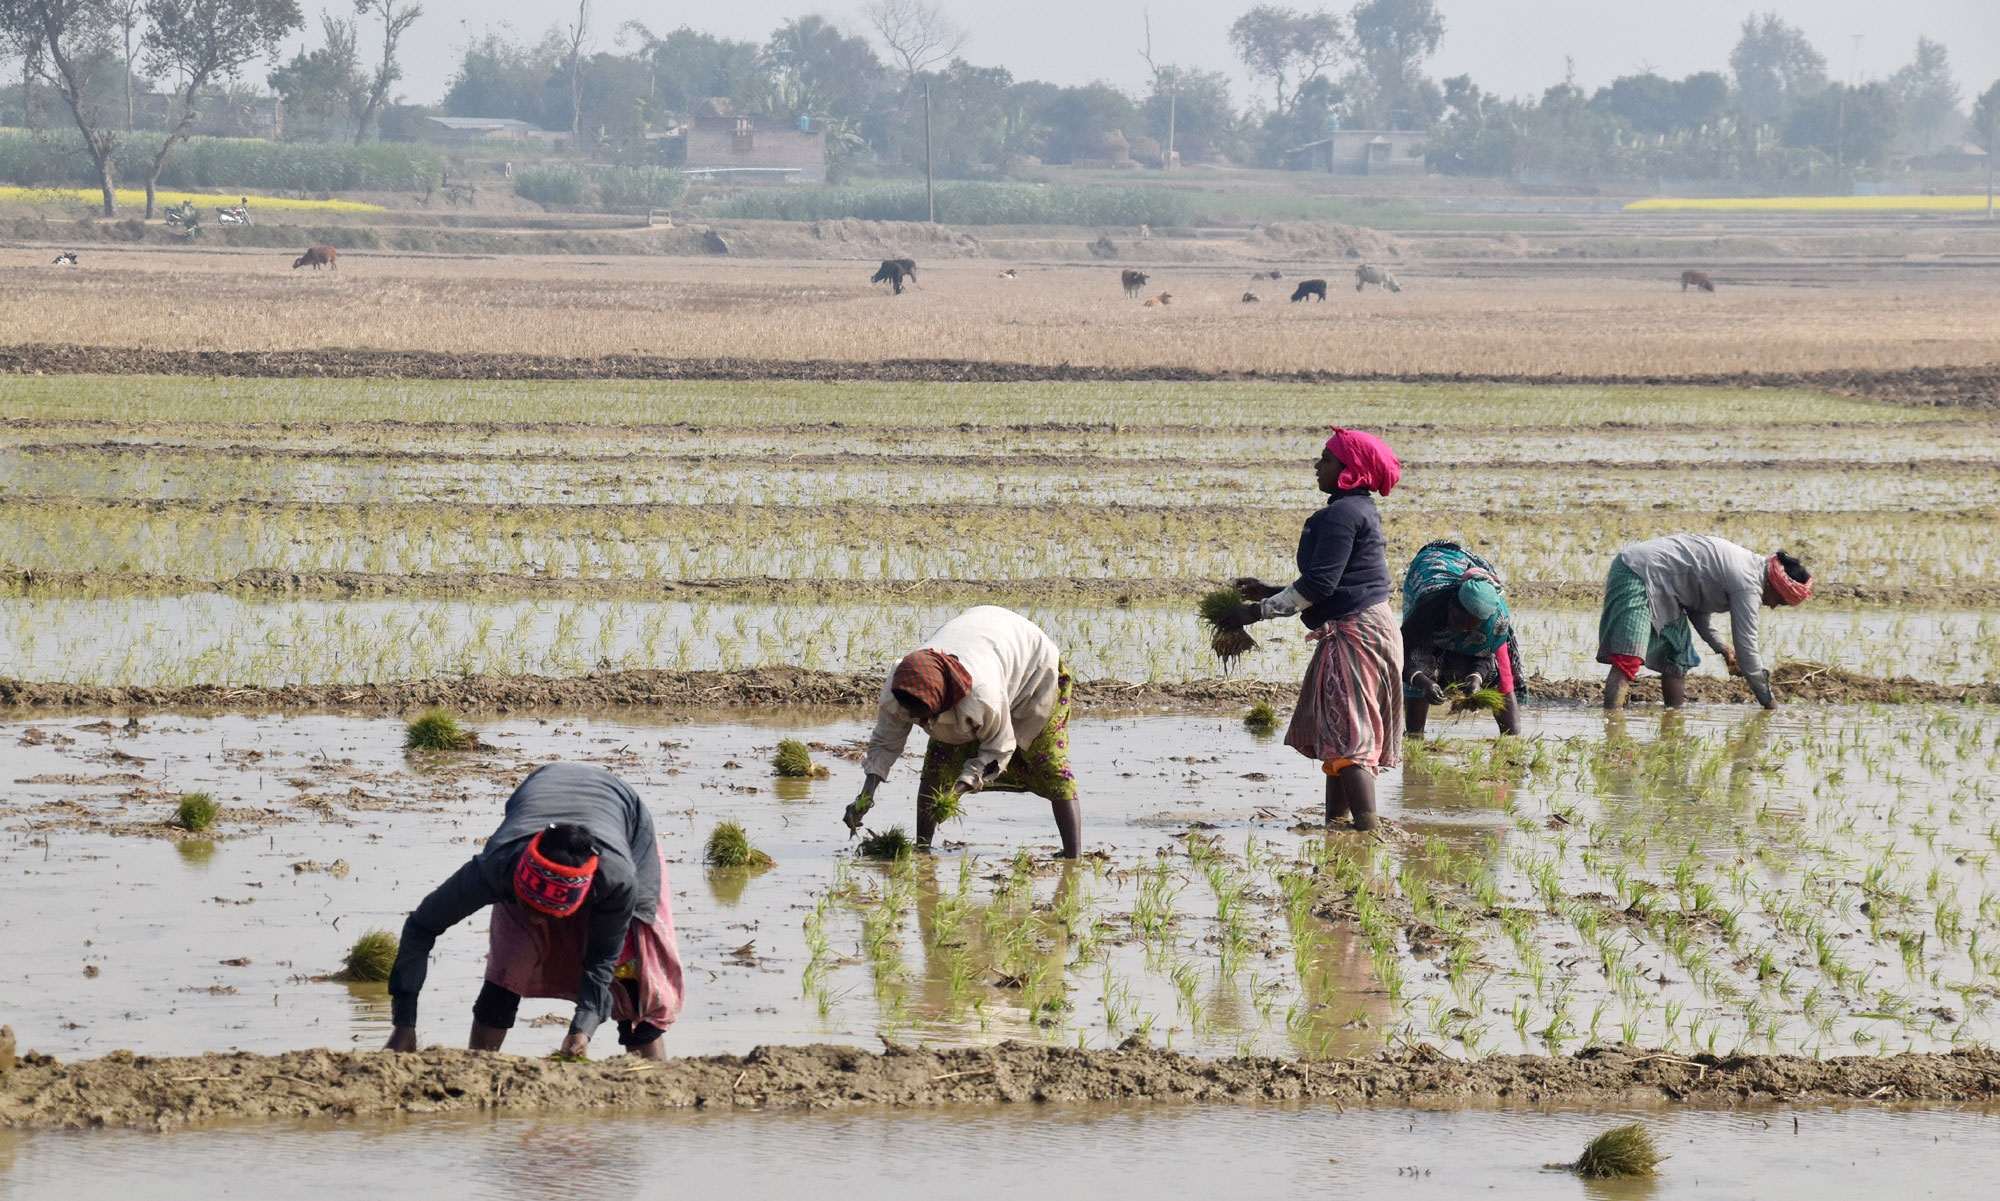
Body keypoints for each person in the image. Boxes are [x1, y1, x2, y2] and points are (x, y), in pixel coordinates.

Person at [384, 762, 682, 1060]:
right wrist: (403, 1024)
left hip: (625, 826)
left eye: (550, 915)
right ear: (517, 883)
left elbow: (601, 959)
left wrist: (583, 1027)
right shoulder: (495, 868)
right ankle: (480, 1063)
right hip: (538, 801)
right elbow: (421, 927)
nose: (538, 921)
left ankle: (653, 1078)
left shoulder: (617, 880)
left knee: (629, 977)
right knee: (509, 964)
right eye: (529, 907)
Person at [1219, 428, 1404, 832]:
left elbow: (1320, 585)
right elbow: (1338, 580)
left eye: (1326, 459)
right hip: (1368, 626)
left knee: (1351, 736)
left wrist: (1254, 612)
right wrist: (1274, 591)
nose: (1317, 465)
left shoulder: (1343, 513)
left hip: (1356, 634)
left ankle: (1367, 833)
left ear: (1349, 470)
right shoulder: (1358, 509)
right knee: (1341, 729)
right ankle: (1337, 826)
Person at [843, 605, 1080, 858]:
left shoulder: (982, 697)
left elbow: (998, 748)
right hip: (983, 644)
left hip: (1034, 670)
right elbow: (885, 740)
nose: (920, 723)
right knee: (937, 764)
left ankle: (1072, 857)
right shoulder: (902, 683)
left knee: (1050, 765)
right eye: (914, 717)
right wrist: (866, 793)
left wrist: (956, 792)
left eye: (925, 717)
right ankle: (922, 850)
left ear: (943, 702)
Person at [1597, 534, 1813, 710]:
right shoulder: (1748, 583)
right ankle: (1612, 725)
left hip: (1669, 589)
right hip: (1639, 571)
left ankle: (1673, 722)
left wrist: (1723, 649)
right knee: (1628, 657)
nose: (1774, 606)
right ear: (1776, 586)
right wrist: (1769, 703)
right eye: (1780, 601)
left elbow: (1698, 612)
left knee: (1677, 659)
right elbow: (1747, 650)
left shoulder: (1750, 572)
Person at [1401, 539, 1523, 736]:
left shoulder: (1494, 624)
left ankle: (1512, 738)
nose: (1461, 628)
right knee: (1422, 664)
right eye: (1458, 620)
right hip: (1428, 570)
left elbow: (1484, 657)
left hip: (1484, 613)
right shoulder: (1428, 607)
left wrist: (1475, 679)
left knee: (1501, 674)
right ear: (1451, 605)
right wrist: (1422, 681)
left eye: (1470, 626)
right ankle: (1415, 734)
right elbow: (1403, 653)